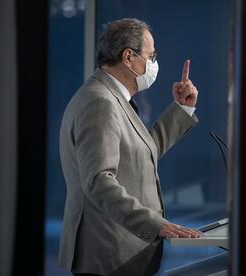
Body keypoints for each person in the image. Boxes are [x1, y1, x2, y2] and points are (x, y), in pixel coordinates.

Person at [59, 18, 201, 276]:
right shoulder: (100, 102)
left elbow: (141, 155)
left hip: (117, 256)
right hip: (108, 257)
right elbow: (98, 181)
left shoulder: (111, 98)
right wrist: (153, 223)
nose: (154, 63)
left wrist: (182, 109)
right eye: (151, 55)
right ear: (128, 57)